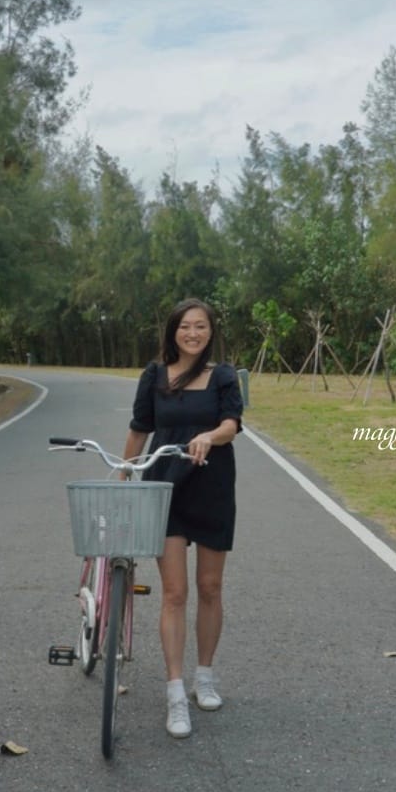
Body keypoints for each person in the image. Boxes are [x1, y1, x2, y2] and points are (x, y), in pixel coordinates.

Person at [123, 298, 243, 739]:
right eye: (186, 326)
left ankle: (203, 677)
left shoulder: (223, 375)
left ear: (211, 333)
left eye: (201, 327)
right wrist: (124, 474)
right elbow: (140, 428)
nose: (193, 333)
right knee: (174, 592)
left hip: (212, 487)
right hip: (164, 486)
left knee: (210, 587)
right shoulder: (154, 376)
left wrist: (210, 436)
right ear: (173, 331)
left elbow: (232, 424)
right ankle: (175, 692)